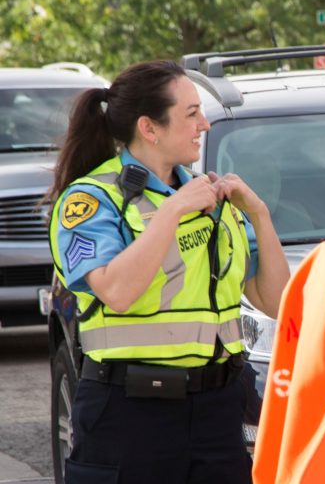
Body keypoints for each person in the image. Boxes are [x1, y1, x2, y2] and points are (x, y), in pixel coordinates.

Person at [47, 60, 289, 483]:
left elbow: (275, 301)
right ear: (149, 127)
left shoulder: (211, 198)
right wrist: (174, 210)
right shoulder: (91, 200)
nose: (204, 125)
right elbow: (116, 292)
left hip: (217, 410)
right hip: (129, 413)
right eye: (192, 114)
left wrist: (261, 216)